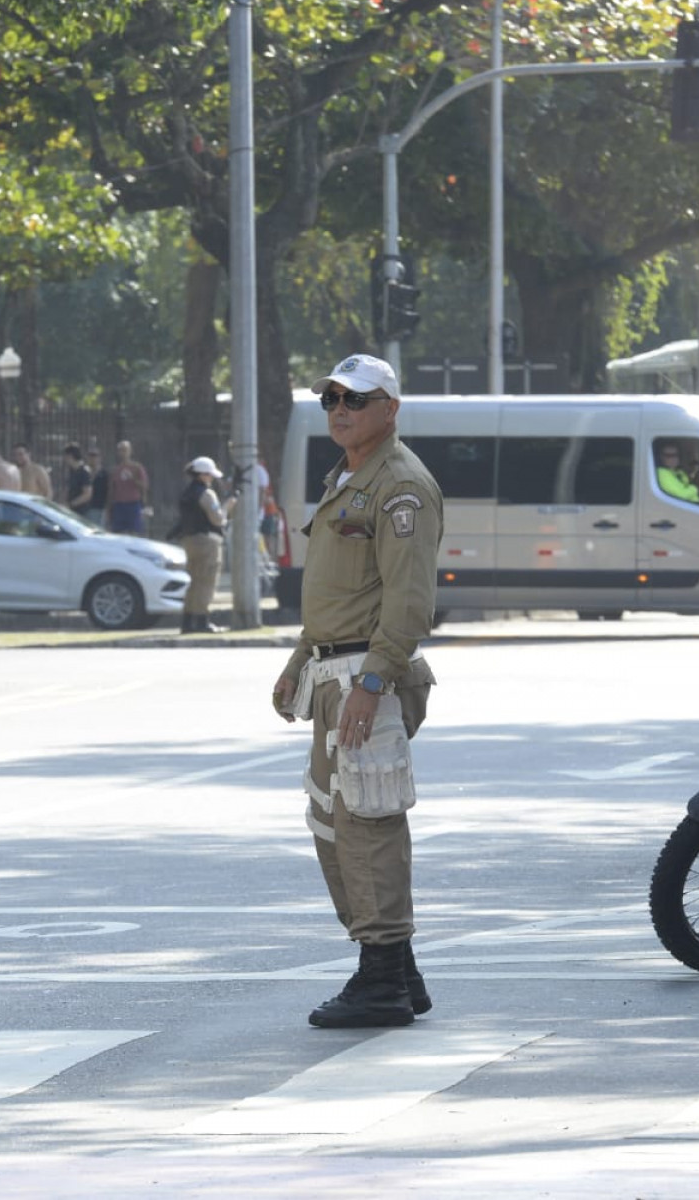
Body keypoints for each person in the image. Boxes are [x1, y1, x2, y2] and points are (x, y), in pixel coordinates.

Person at [269, 353, 441, 1029]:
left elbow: (406, 600)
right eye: (331, 399)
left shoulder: (399, 486)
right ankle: (399, 971)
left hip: (366, 679)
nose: (340, 410)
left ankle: (381, 980)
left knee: (367, 827)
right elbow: (341, 593)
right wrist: (300, 656)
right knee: (335, 823)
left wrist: (373, 681)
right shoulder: (350, 477)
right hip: (334, 673)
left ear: (389, 408)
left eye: (356, 399)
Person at [172, 455, 237, 634]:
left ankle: (187, 622)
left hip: (189, 541)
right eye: (210, 475)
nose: (212, 478)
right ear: (202, 475)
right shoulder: (206, 493)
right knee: (206, 582)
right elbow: (217, 519)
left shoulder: (186, 493)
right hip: (207, 541)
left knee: (193, 582)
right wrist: (228, 506)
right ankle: (202, 621)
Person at [106, 439, 150, 535]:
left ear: (130, 451)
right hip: (119, 506)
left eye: (125, 450)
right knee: (118, 533)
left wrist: (133, 479)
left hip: (133, 505)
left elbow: (145, 486)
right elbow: (111, 490)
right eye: (121, 450)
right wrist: (109, 509)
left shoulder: (137, 468)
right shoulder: (115, 470)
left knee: (135, 533)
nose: (123, 453)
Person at [63, 444, 95, 520]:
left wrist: (71, 504)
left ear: (70, 456)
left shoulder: (84, 471)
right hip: (71, 512)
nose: (64, 459)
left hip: (82, 512)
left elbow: (87, 494)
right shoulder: (72, 471)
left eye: (65, 456)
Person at [86, 440, 110, 526]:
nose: (93, 458)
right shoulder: (84, 473)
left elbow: (108, 492)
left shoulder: (104, 474)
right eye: (91, 456)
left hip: (99, 508)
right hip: (85, 508)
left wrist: (107, 509)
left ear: (100, 458)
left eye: (95, 456)